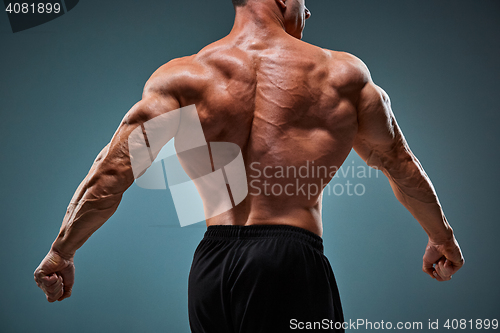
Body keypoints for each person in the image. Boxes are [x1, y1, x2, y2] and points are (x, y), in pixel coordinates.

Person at [34, 0, 464, 332]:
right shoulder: (340, 75)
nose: (309, 11)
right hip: (289, 264)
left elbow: (111, 173)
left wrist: (61, 252)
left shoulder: (182, 78)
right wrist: (441, 237)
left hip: (211, 269)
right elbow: (399, 163)